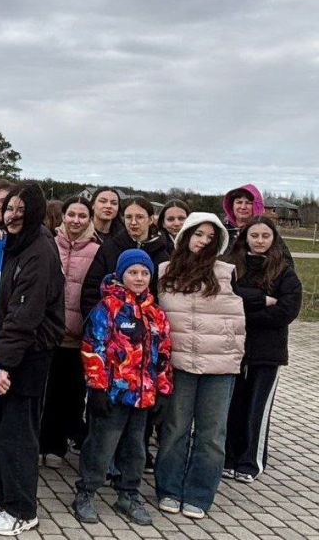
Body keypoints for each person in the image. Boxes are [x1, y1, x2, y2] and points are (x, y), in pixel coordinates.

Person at [0, 184, 64, 537]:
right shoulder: (12, 243)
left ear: (35, 215)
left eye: (20, 211)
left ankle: (23, 508)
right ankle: (1, 496)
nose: (12, 216)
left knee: (16, 436)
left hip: (25, 358)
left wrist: (5, 366)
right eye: (9, 209)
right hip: (2, 353)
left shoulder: (39, 251)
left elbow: (24, 316)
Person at [154, 212, 245, 520]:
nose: (204, 241)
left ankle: (199, 493)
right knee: (175, 429)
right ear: (186, 235)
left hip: (219, 366)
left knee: (211, 434)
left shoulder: (228, 272)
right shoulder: (164, 271)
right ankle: (168, 488)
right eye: (198, 234)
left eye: (210, 236)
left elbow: (254, 301)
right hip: (178, 363)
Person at [72, 249, 173, 526]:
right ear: (120, 274)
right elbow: (94, 348)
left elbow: (163, 353)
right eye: (133, 272)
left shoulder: (156, 313)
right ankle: (87, 492)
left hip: (142, 396)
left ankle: (128, 494)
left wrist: (163, 390)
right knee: (101, 445)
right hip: (113, 394)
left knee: (135, 449)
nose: (139, 278)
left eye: (144, 273)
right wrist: (97, 387)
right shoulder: (107, 308)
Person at [225, 217, 302, 483]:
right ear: (246, 237)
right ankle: (230, 455)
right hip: (236, 348)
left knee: (258, 408)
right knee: (234, 404)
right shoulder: (234, 266)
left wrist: (247, 313)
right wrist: (261, 302)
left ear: (273, 238)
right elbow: (229, 296)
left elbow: (286, 311)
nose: (259, 241)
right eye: (254, 235)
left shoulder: (284, 271)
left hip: (268, 352)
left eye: (265, 236)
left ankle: (251, 461)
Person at [39, 197, 100, 467]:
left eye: (82, 215)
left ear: (89, 219)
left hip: (78, 336)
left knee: (70, 393)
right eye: (71, 214)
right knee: (45, 390)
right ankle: (39, 442)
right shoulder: (48, 244)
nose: (76, 220)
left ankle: (57, 444)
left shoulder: (99, 251)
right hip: (47, 332)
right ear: (63, 216)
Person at [81, 197, 171, 318]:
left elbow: (165, 297)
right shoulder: (110, 248)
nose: (133, 222)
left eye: (139, 217)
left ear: (150, 220)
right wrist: (97, 320)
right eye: (128, 217)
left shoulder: (162, 254)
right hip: (110, 324)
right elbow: (91, 289)